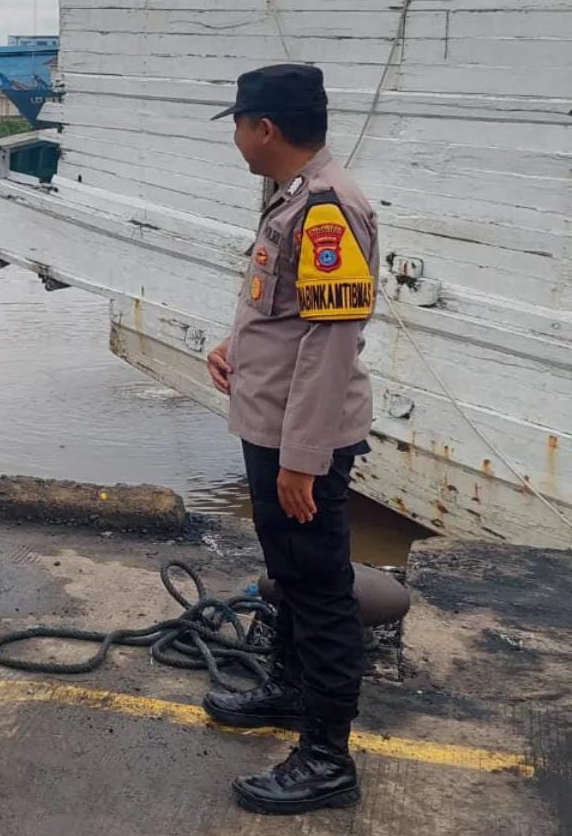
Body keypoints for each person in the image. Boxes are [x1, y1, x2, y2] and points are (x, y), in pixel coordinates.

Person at [202, 63, 378, 816]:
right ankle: (290, 688)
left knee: (321, 591)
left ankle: (327, 758)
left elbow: (330, 343)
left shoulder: (329, 209)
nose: (237, 138)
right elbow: (285, 315)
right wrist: (237, 349)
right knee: (287, 575)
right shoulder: (290, 201)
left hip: (300, 442)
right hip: (270, 426)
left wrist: (304, 461)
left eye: (240, 124)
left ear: (264, 128)